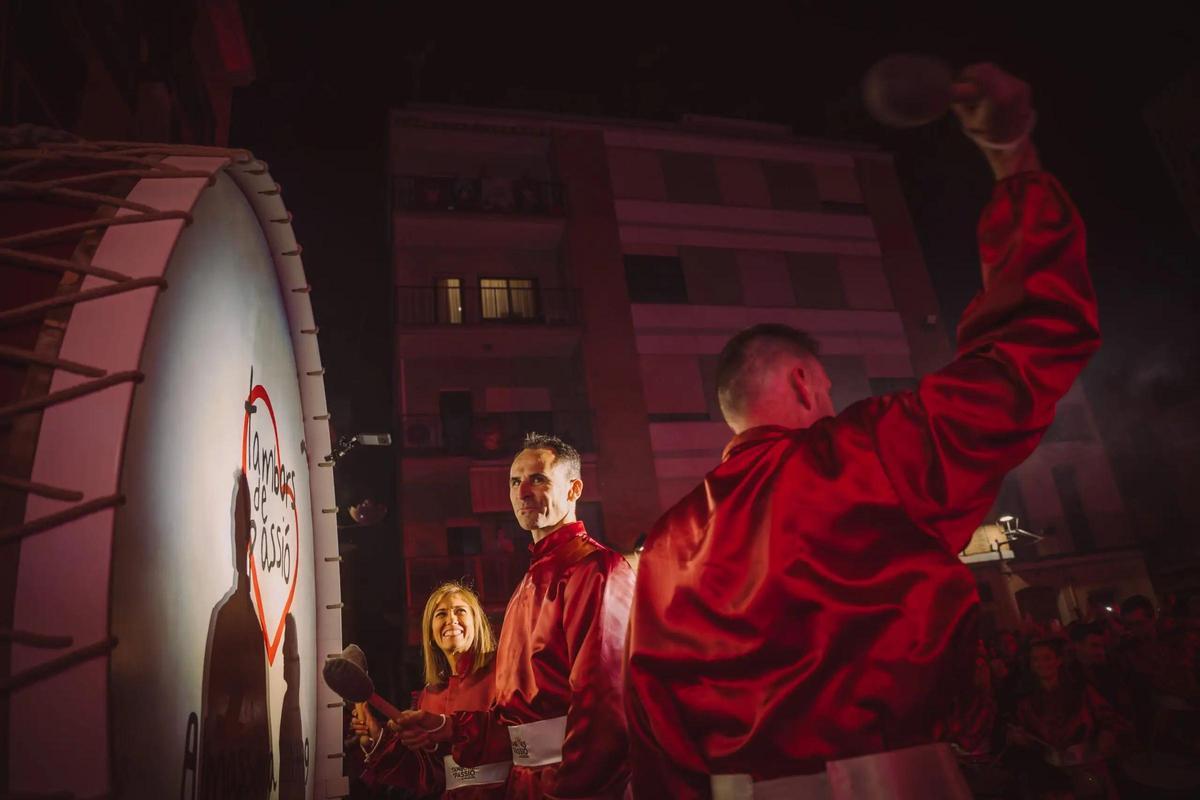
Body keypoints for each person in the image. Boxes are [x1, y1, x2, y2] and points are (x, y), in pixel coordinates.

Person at [624, 62, 1102, 798]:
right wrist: (1014, 159)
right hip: (888, 780)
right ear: (803, 382)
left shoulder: (661, 546)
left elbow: (651, 726)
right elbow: (1029, 344)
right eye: (826, 381)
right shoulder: (861, 452)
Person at [395, 433, 635, 798]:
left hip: (572, 787)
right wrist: (446, 727)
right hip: (526, 784)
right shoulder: (528, 582)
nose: (522, 492)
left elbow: (606, 704)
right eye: (514, 481)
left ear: (573, 490)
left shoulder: (596, 569)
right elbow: (516, 720)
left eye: (537, 479)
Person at [352, 581, 510, 798]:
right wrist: (377, 740)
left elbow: (515, 730)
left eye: (460, 611)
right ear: (430, 633)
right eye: (441, 614)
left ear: (478, 622)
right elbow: (429, 777)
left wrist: (446, 726)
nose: (451, 619)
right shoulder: (429, 696)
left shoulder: (503, 670)